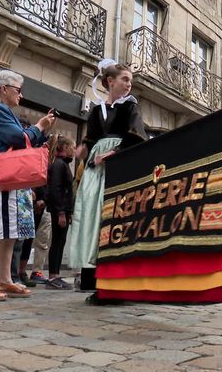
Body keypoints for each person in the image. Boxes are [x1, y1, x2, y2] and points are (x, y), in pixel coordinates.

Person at [0, 70, 56, 301]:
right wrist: (39, 126)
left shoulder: (3, 111)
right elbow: (19, 138)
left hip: (4, 177)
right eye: (18, 90)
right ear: (4, 89)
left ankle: (4, 279)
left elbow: (21, 138)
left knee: (7, 231)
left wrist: (39, 130)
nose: (21, 95)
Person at [68, 60, 147, 305]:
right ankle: (98, 284)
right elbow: (92, 138)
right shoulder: (96, 109)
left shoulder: (130, 107)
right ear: (110, 81)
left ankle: (117, 285)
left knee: (116, 220)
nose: (128, 85)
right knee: (94, 218)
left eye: (130, 81)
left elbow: (136, 137)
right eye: (125, 79)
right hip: (96, 168)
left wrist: (113, 154)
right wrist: (84, 148)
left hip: (119, 165)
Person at [46, 135, 75, 290]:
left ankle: (56, 274)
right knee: (56, 242)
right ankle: (52, 276)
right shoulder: (58, 165)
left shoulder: (64, 164)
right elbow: (56, 189)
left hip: (64, 210)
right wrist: (61, 212)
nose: (74, 150)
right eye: (72, 147)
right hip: (59, 210)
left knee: (61, 241)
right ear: (65, 147)